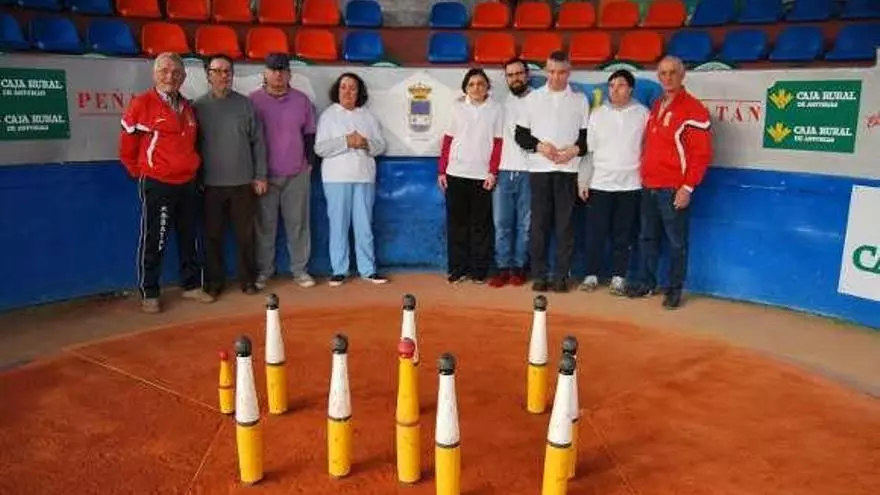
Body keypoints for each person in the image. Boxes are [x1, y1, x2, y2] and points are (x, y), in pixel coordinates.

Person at [119, 52, 215, 313]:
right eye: (164, 71)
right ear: (154, 74)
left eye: (175, 72)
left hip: (188, 183)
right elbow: (127, 146)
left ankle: (191, 285)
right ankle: (150, 291)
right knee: (156, 238)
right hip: (158, 183)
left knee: (189, 236)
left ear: (183, 77)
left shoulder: (187, 107)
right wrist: (142, 172)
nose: (170, 76)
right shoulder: (142, 104)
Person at [626, 56, 713, 309]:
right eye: (663, 73)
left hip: (673, 188)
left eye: (673, 72)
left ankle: (674, 290)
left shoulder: (693, 109)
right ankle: (647, 283)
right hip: (649, 185)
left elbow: (701, 154)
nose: (667, 78)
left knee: (677, 242)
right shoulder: (657, 104)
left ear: (682, 75)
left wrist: (687, 187)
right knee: (647, 238)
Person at [193, 54, 267, 298]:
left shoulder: (246, 105)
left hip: (243, 184)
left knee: (246, 236)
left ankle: (248, 280)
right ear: (208, 75)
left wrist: (260, 175)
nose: (223, 76)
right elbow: (191, 146)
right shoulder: (197, 107)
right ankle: (215, 282)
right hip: (210, 185)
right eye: (217, 71)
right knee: (212, 236)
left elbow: (258, 142)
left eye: (227, 71)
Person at [515, 51, 589, 293]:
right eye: (552, 72)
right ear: (547, 71)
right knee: (539, 225)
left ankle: (561, 276)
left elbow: (586, 138)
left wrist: (574, 150)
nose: (557, 77)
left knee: (565, 226)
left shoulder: (580, 100)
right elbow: (520, 135)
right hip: (539, 170)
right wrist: (540, 147)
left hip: (568, 171)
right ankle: (540, 274)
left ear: (569, 72)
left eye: (562, 72)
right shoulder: (532, 99)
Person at [250, 53, 319, 290]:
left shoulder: (302, 101)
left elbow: (310, 135)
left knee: (298, 225)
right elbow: (249, 139)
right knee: (264, 227)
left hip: (296, 174)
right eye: (273, 70)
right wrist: (255, 173)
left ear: (289, 74)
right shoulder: (253, 101)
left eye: (282, 70)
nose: (278, 74)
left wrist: (309, 165)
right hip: (264, 176)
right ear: (265, 73)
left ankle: (300, 270)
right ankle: (263, 272)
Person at [577, 69, 648, 295]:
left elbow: (647, 149)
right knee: (595, 233)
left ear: (631, 89)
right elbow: (589, 151)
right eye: (611, 86)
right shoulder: (598, 114)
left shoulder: (643, 114)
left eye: (620, 85)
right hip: (600, 183)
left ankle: (619, 277)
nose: (615, 90)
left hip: (631, 184)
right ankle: (591, 275)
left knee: (623, 234)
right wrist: (583, 180)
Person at [314, 73, 389, 287]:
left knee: (364, 225)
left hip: (364, 177)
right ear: (337, 90)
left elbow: (380, 146)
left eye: (352, 88)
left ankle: (368, 269)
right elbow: (320, 148)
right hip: (336, 178)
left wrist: (365, 143)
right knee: (338, 225)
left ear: (359, 92)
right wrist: (346, 141)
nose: (347, 92)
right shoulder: (328, 116)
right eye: (344, 87)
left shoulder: (368, 116)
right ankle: (339, 270)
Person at [438, 68, 503, 285]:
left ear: (487, 87)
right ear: (466, 88)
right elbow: (448, 140)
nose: (476, 88)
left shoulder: (496, 109)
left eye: (480, 84)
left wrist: (492, 172)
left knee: (480, 226)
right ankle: (457, 269)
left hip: (481, 176)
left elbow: (498, 143)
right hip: (455, 173)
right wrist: (442, 170)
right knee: (457, 225)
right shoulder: (457, 108)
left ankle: (478, 271)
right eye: (472, 84)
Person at [488, 58, 532, 288]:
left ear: (527, 75)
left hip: (531, 171)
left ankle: (519, 267)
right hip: (504, 171)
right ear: (505, 78)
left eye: (519, 73)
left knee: (526, 224)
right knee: (501, 223)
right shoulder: (500, 104)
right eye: (510, 75)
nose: (515, 78)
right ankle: (502, 267)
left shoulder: (539, 100)